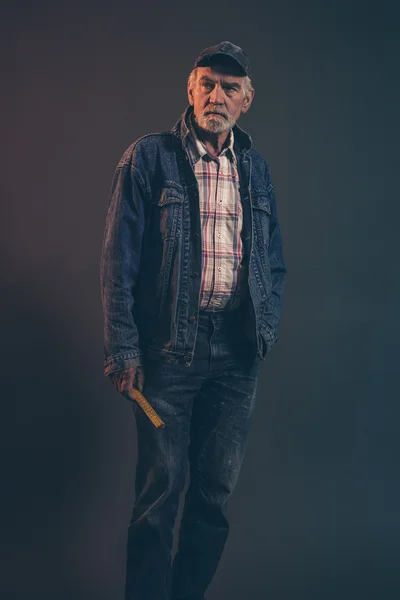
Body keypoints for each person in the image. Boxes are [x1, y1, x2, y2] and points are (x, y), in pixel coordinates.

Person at [100, 41, 287, 600]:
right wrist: (123, 349)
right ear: (190, 88)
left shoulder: (255, 169)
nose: (217, 96)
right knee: (159, 495)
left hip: (235, 357)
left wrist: (264, 329)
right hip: (167, 353)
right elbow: (118, 258)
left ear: (246, 100)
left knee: (214, 497)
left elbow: (273, 258)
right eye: (207, 83)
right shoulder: (149, 158)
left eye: (231, 88)